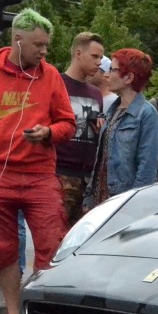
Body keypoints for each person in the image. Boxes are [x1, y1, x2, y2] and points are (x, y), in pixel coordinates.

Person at [0, 8, 75, 314]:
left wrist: (49, 133)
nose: (44, 51)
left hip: (40, 174)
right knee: (1, 249)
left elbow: (68, 123)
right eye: (39, 45)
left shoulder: (51, 75)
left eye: (46, 46)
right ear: (18, 39)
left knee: (52, 245)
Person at [56, 32, 106, 226]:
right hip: (60, 172)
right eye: (95, 56)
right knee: (53, 240)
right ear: (78, 53)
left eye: (101, 57)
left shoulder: (96, 93)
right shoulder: (57, 84)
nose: (99, 62)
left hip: (87, 178)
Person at [104, 48, 158, 194]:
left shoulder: (147, 114)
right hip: (103, 198)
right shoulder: (113, 109)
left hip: (123, 199)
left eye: (112, 70)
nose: (106, 75)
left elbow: (147, 169)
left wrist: (133, 203)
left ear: (128, 77)